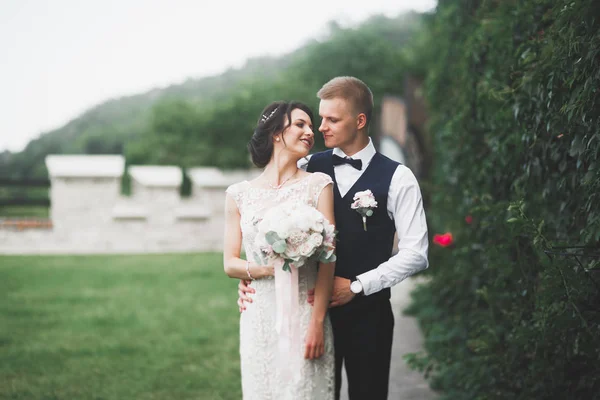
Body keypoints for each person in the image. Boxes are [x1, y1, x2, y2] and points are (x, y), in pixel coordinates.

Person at [238, 77, 429, 400]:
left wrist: (357, 286)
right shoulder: (308, 167)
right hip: (309, 310)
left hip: (369, 315)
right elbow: (268, 223)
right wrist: (253, 276)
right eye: (320, 117)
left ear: (360, 121)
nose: (320, 127)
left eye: (332, 119)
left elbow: (416, 253)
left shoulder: (399, 177)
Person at [223, 100, 337, 399]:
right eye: (300, 124)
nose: (310, 132)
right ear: (276, 133)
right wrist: (260, 271)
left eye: (311, 127)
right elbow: (230, 263)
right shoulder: (239, 195)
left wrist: (316, 323)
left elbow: (328, 259)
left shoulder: (318, 185)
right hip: (259, 314)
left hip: (304, 311)